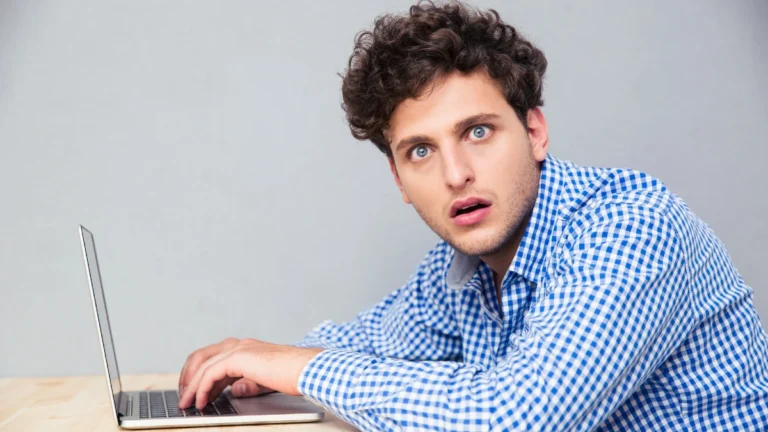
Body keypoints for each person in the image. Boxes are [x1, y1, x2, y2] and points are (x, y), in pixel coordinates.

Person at [177, 1, 768, 430]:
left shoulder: (634, 226)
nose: (455, 173)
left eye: (478, 131)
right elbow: (369, 345)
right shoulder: (457, 270)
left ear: (534, 132)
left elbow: (517, 417)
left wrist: (294, 366)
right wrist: (259, 364)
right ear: (399, 181)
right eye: (421, 150)